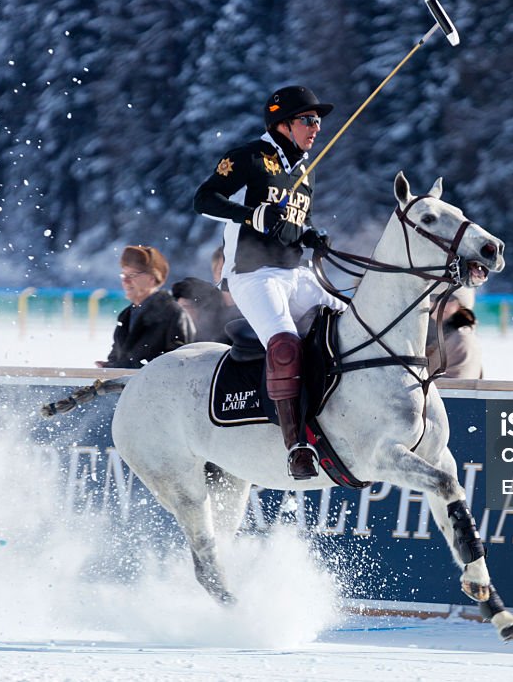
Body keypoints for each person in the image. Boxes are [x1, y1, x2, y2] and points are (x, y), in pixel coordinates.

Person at [193, 85, 347, 480]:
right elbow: (204, 199)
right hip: (252, 274)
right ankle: (296, 445)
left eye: (318, 121)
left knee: (349, 320)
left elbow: (294, 223)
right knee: (283, 346)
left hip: (296, 274)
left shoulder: (304, 170)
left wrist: (310, 235)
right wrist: (251, 215)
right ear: (281, 124)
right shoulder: (248, 157)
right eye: (307, 120)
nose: (316, 128)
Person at [96, 245, 194, 369]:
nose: (125, 281)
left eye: (132, 275)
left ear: (152, 278)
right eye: (123, 275)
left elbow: (180, 363)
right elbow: (118, 357)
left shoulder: (172, 313)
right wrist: (109, 367)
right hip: (129, 387)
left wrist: (133, 369)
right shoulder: (126, 315)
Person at [171, 247, 242, 344]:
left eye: (234, 270)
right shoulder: (207, 303)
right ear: (215, 273)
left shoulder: (259, 307)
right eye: (222, 270)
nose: (228, 276)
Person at [426, 289, 482, 379]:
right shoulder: (425, 333)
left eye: (447, 299)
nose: (440, 304)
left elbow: (454, 389)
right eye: (433, 298)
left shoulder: (461, 338)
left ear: (460, 304)